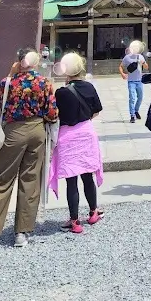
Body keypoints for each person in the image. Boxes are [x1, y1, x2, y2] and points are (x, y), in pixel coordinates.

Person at [0, 49, 58, 256]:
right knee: (30, 179)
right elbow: (52, 112)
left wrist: (10, 75)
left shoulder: (9, 82)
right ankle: (22, 233)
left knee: (1, 180)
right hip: (37, 131)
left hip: (14, 131)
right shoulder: (44, 82)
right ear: (36, 62)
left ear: (19, 61)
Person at [49, 52, 103, 234]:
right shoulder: (89, 87)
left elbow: (55, 115)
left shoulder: (61, 92)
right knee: (88, 176)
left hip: (67, 137)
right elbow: (97, 110)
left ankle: (74, 221)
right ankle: (93, 212)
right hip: (86, 134)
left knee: (71, 181)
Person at [119, 40, 148, 123]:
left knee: (140, 97)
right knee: (132, 98)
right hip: (131, 81)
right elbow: (120, 66)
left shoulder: (140, 57)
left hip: (139, 81)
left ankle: (136, 110)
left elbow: (146, 67)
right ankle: (132, 115)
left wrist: (143, 63)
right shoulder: (127, 57)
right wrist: (122, 74)